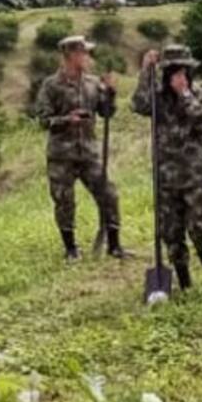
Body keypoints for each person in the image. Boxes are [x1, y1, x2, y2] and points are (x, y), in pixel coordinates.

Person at [132, 44, 202, 293]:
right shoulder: (158, 99)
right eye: (172, 71)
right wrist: (145, 71)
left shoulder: (200, 93)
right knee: (171, 233)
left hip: (194, 176)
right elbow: (139, 104)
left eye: (182, 71)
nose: (177, 76)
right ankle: (184, 283)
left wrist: (185, 95)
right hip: (166, 179)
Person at [34, 36, 125, 260]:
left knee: (109, 194)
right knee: (64, 201)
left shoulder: (93, 83)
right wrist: (67, 119)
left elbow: (106, 113)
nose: (88, 58)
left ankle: (114, 245)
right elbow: (44, 120)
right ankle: (71, 249)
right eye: (84, 53)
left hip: (88, 152)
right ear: (72, 55)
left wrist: (111, 93)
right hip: (61, 155)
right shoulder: (51, 85)